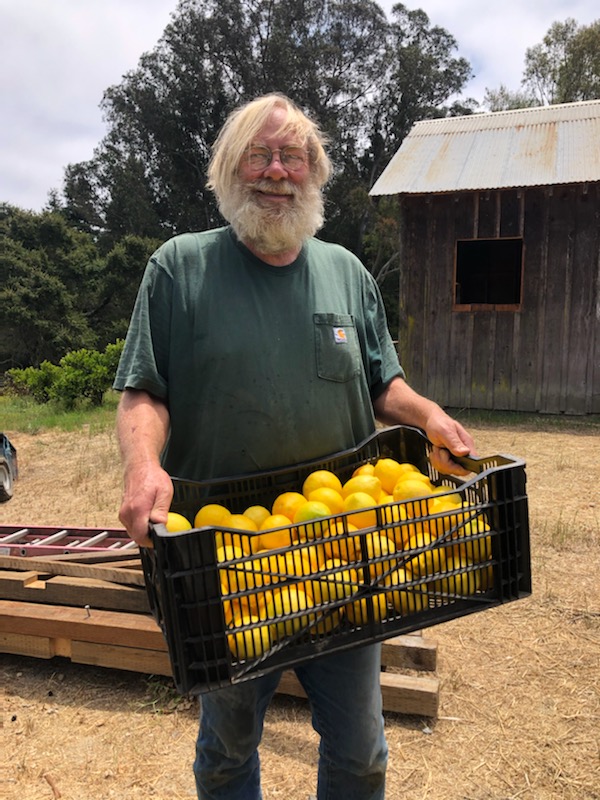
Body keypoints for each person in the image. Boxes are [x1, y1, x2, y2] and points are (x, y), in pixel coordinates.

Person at [114, 92, 475, 800]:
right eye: (260, 154)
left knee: (362, 751)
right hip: (224, 561)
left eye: (294, 156)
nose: (278, 171)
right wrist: (142, 464)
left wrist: (426, 412)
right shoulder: (178, 269)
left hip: (346, 547)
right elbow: (143, 393)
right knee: (227, 746)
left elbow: (384, 385)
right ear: (229, 167)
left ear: (314, 171)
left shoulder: (346, 273)